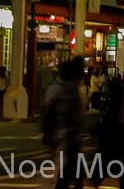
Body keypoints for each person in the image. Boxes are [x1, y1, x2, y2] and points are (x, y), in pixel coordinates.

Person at [43, 58, 85, 189]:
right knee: (67, 174)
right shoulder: (63, 90)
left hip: (66, 138)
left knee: (71, 174)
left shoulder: (61, 89)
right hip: (64, 139)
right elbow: (52, 114)